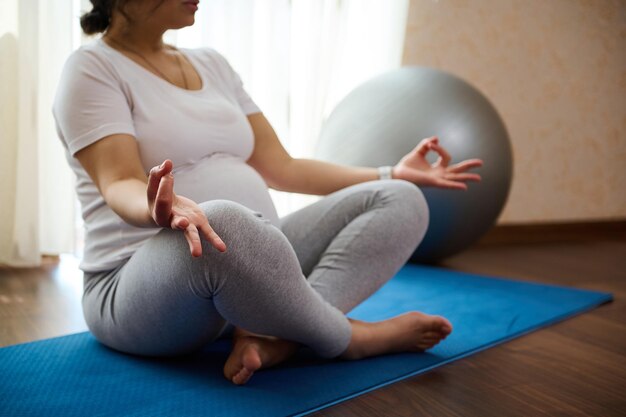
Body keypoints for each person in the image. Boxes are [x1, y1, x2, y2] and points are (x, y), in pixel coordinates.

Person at [53, 0, 483, 386]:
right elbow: (119, 182)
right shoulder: (93, 67)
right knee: (220, 219)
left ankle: (278, 335)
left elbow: (284, 168)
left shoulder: (212, 64)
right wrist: (160, 208)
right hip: (140, 287)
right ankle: (348, 337)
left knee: (400, 197)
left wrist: (391, 172)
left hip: (256, 266)